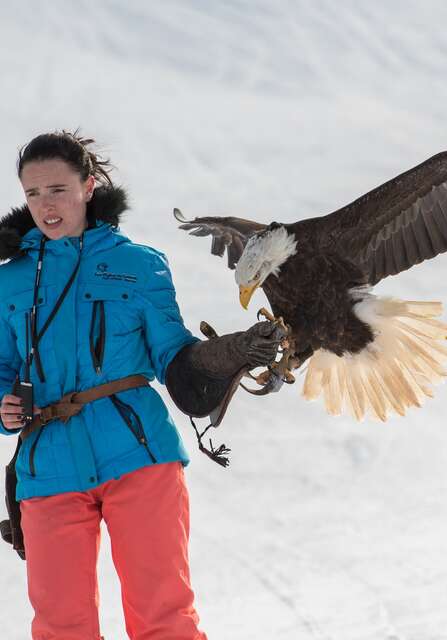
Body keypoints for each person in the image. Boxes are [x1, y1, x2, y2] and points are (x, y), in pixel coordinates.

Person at [0, 131, 282, 639]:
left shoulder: (139, 265)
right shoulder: (10, 280)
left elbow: (174, 354)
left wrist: (229, 353)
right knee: (60, 626)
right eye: (33, 193)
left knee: (163, 617)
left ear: (88, 187)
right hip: (47, 465)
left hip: (139, 454)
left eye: (58, 190)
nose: (46, 205)